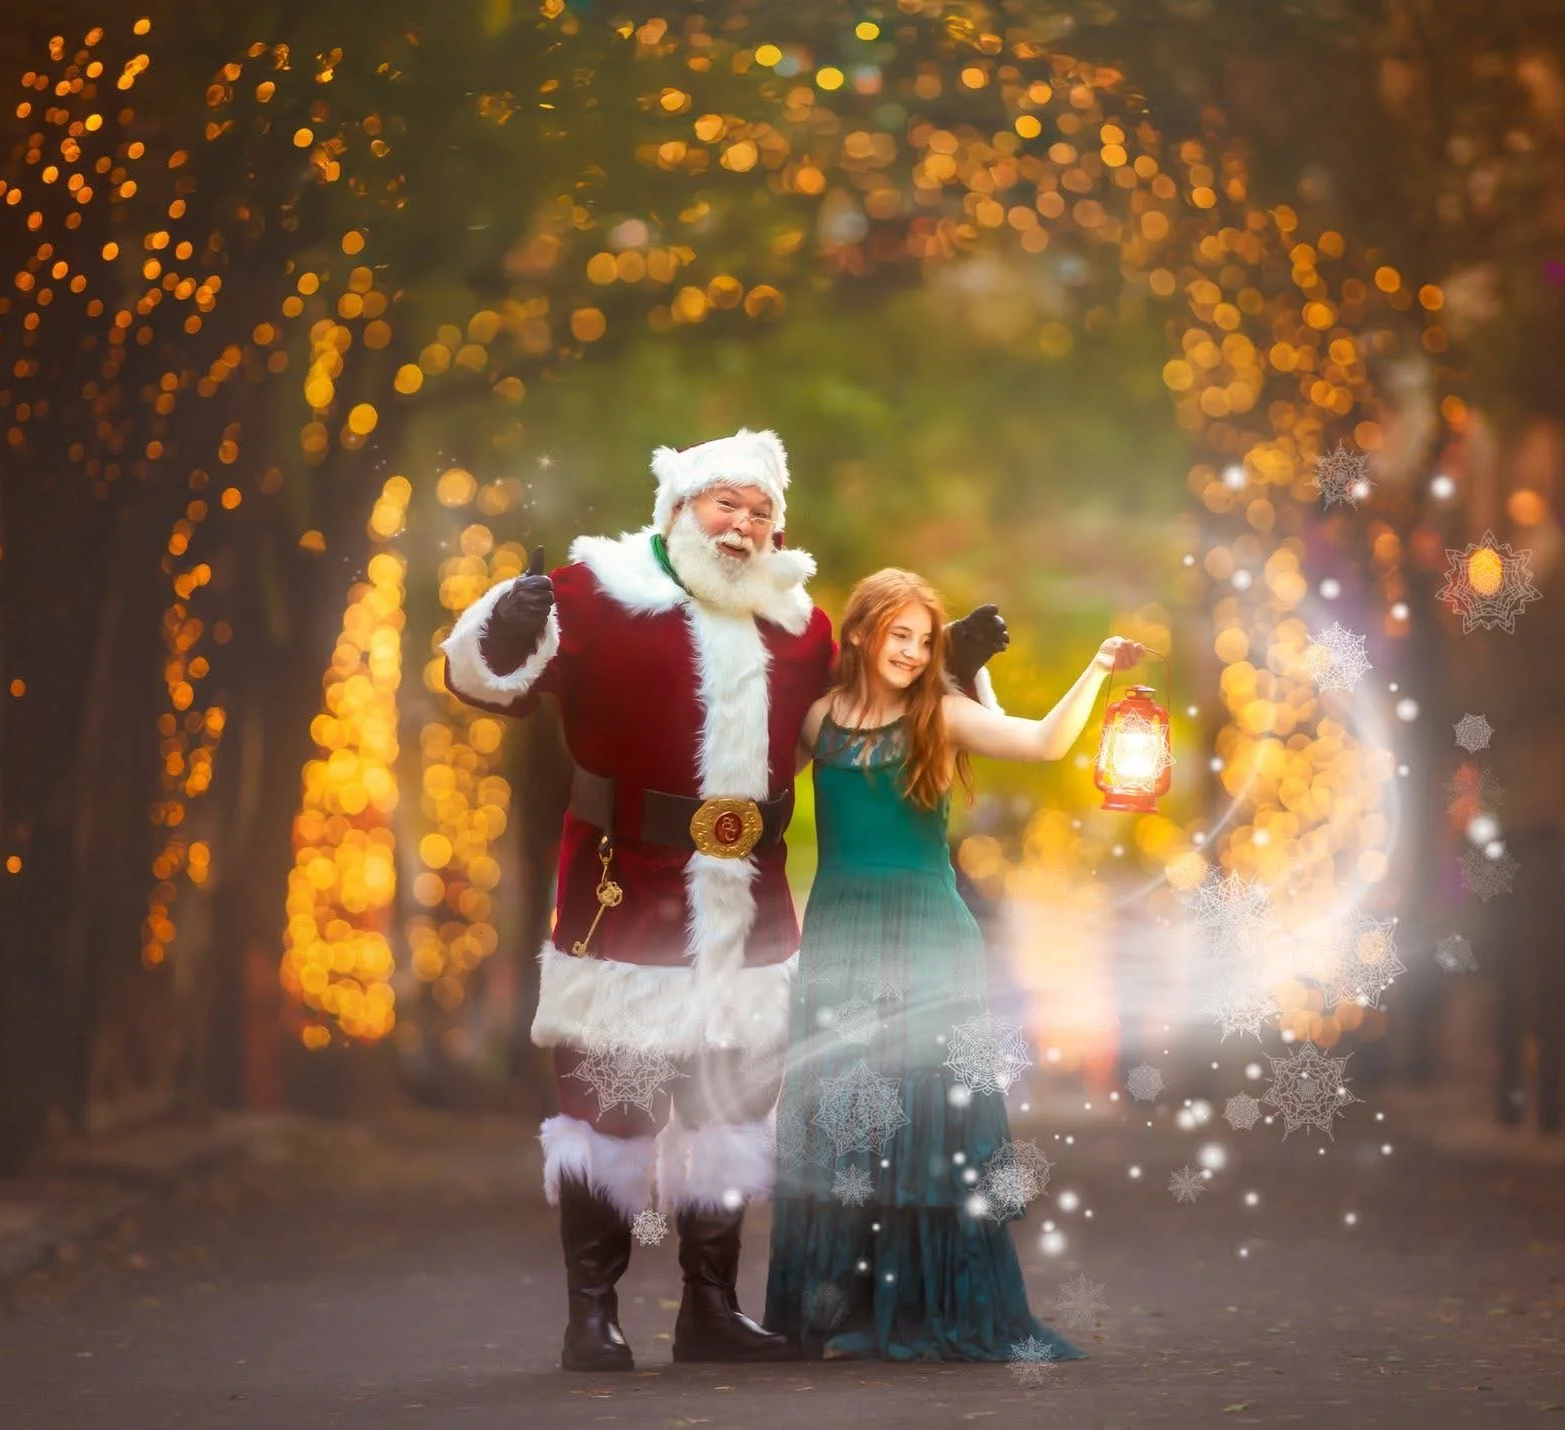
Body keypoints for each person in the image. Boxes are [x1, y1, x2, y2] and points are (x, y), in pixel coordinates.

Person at [437, 432, 1008, 1372]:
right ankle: (594, 1314)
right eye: (724, 506)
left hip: (749, 898)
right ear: (679, 508)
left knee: (732, 1105)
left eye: (760, 512)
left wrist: (952, 669)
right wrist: (502, 627)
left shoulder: (801, 624)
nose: (742, 526)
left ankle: (710, 1308)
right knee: (608, 1104)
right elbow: (485, 684)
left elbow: (878, 705)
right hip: (625, 886)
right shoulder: (596, 590)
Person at [764, 567, 1144, 1364]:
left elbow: (1040, 741)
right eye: (897, 635)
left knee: (927, 1120)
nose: (909, 651)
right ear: (862, 635)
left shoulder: (939, 712)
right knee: (846, 1124)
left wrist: (1098, 669)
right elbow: (756, 795)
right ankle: (845, 1308)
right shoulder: (817, 721)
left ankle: (924, 1309)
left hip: (928, 937)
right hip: (840, 935)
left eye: (923, 639)